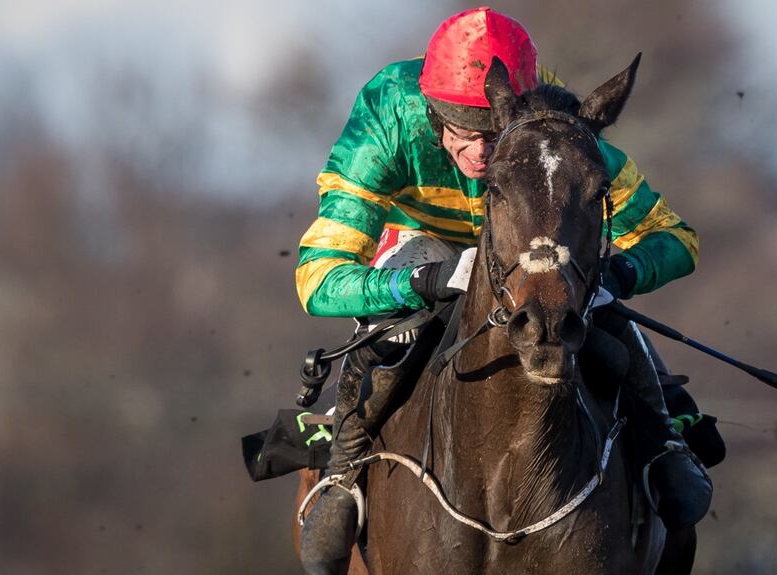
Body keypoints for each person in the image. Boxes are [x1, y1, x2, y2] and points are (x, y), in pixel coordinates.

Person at [295, 7, 712, 572]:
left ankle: (661, 439)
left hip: (534, 256)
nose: (480, 154)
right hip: (427, 250)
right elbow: (319, 280)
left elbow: (676, 238)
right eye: (462, 133)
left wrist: (612, 276)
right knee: (397, 320)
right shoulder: (386, 118)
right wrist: (425, 281)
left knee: (596, 301)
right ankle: (345, 469)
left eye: (492, 133)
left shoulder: (552, 124)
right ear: (432, 114)